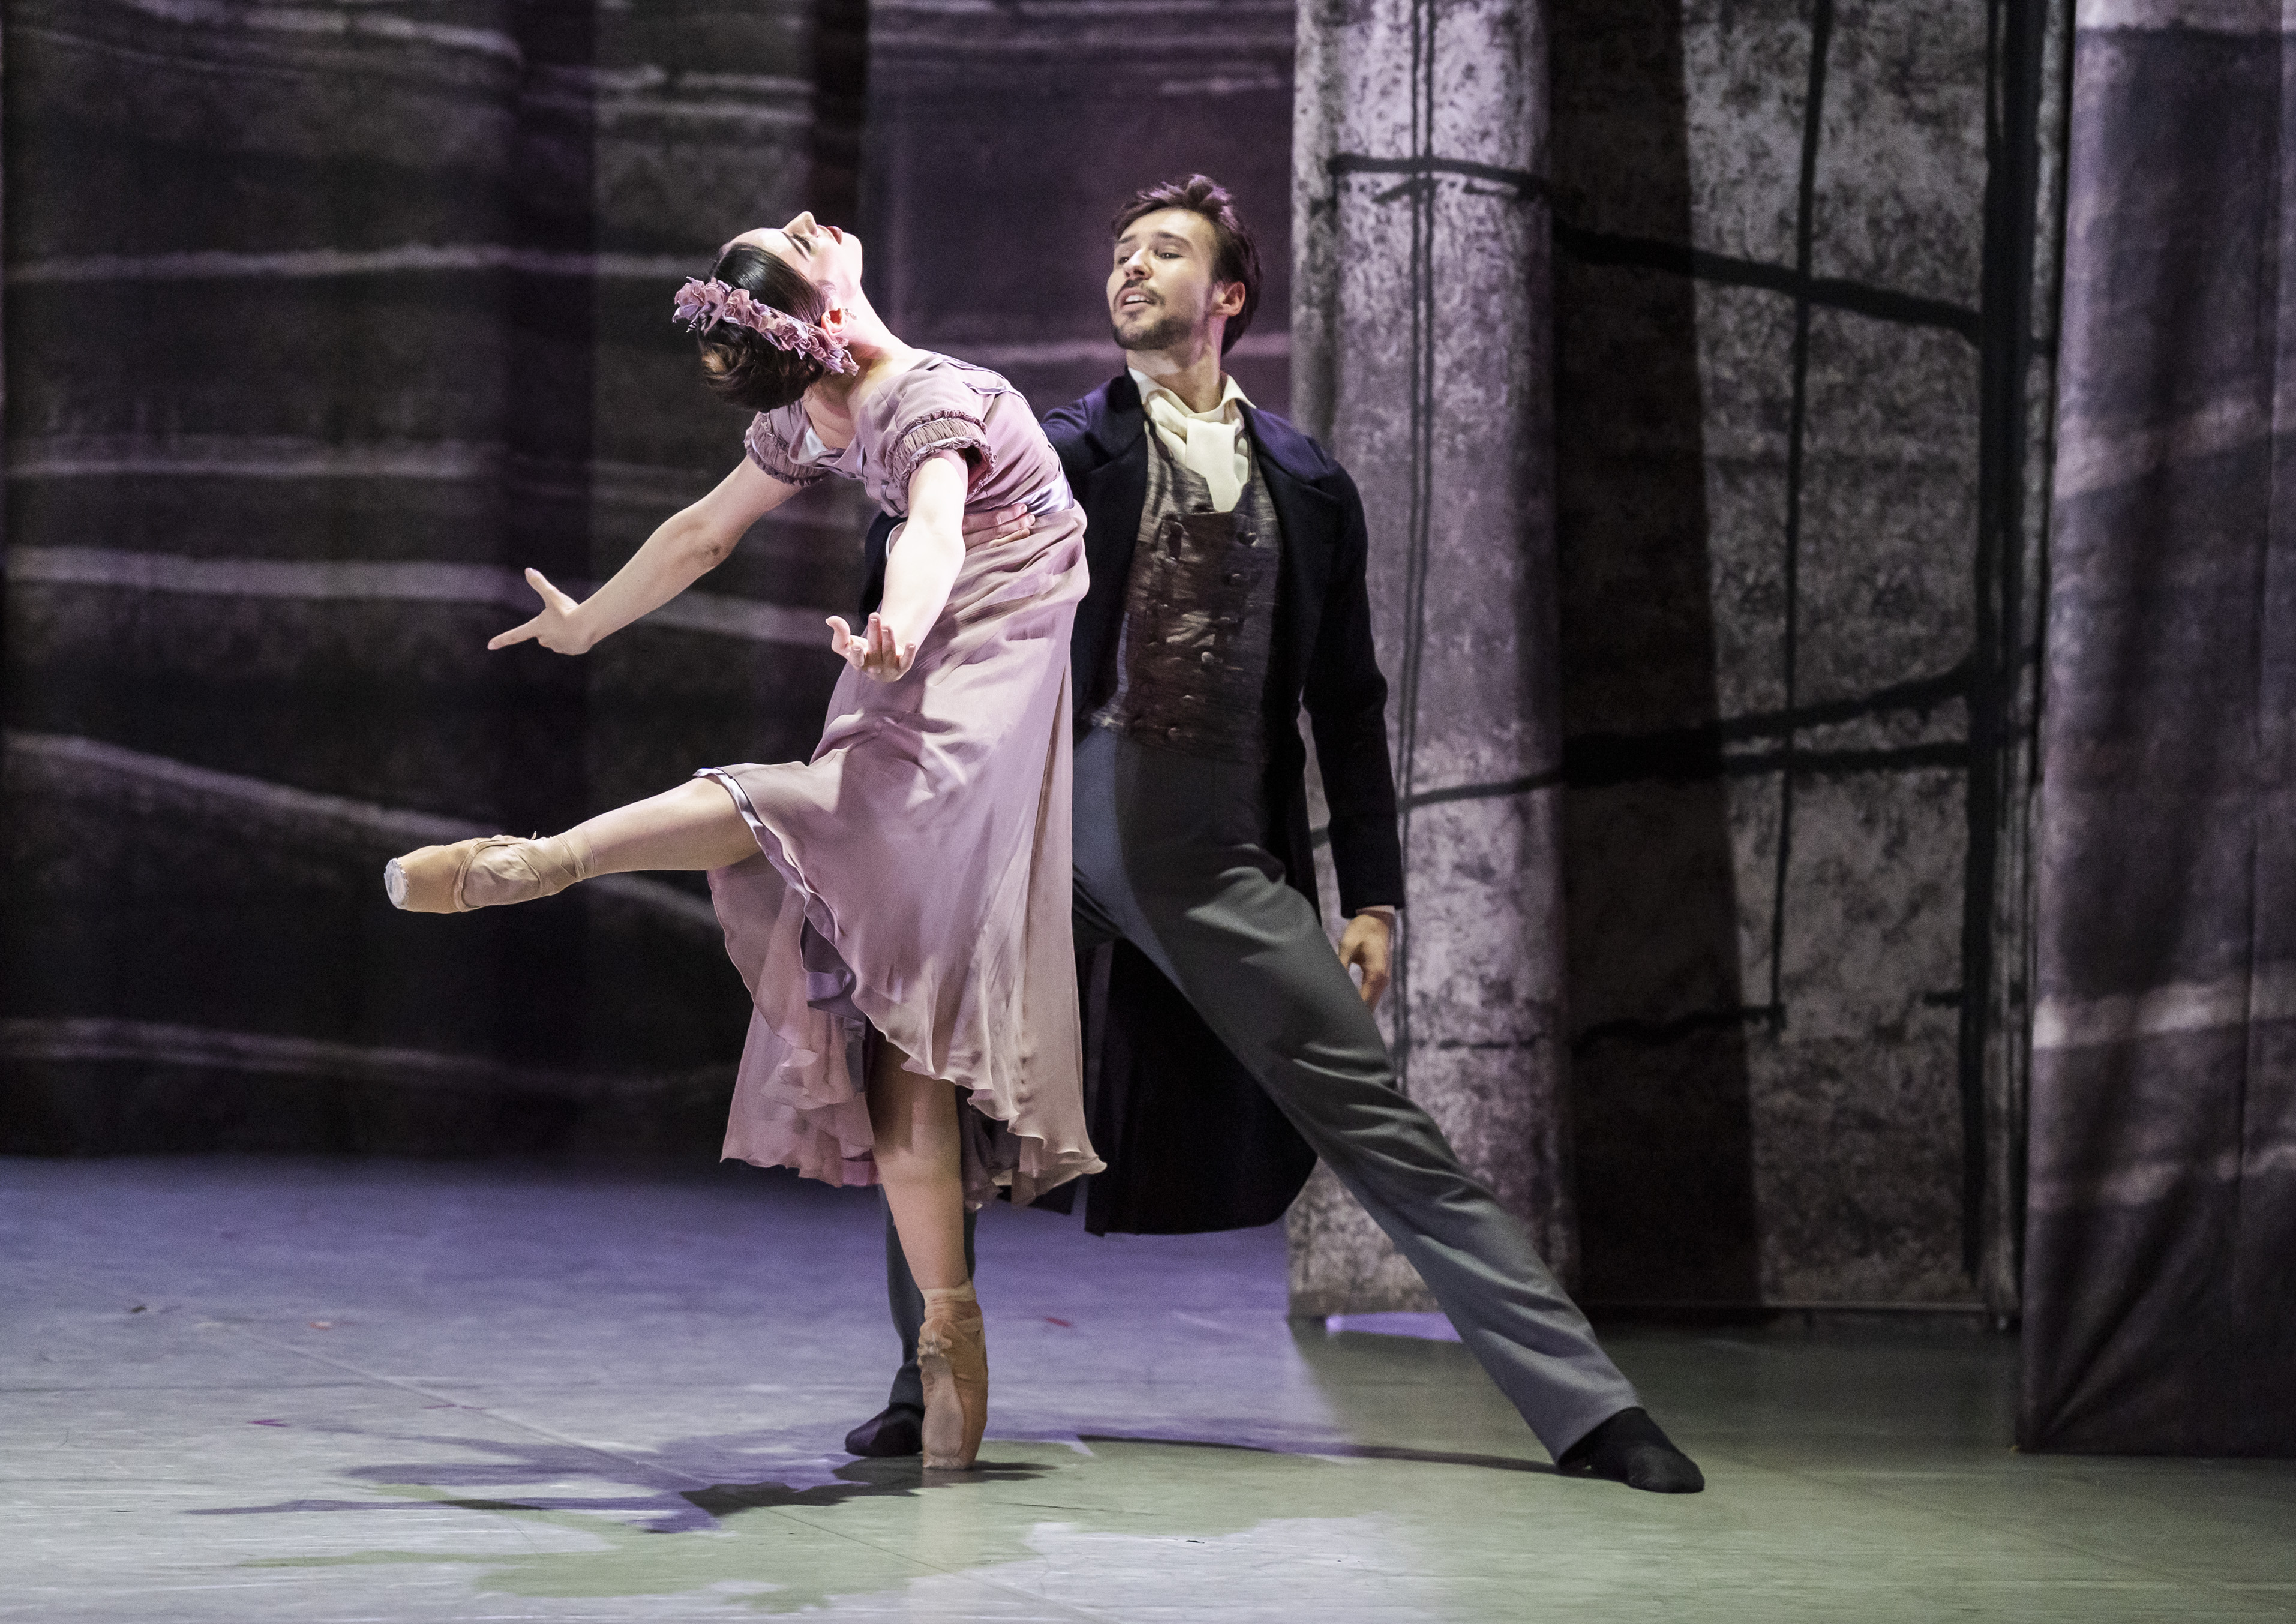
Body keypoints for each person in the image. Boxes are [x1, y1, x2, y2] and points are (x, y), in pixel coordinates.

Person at [842, 176, 1704, 1493]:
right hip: (1044, 816)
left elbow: (1346, 705)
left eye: (1165, 251)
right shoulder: (1064, 446)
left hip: (1203, 836)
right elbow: (920, 523)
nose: (1132, 267)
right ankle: (925, 1386)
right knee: (926, 1066)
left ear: (1229, 296)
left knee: (1378, 1122)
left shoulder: (1308, 483)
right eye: (1122, 251)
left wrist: (1376, 895)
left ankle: (1591, 1410)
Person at [382, 212, 1099, 1472]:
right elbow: (730, 531)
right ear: (823, 323)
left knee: (848, 877)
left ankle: (543, 860)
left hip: (962, 650)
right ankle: (948, 1326)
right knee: (897, 998)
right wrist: (590, 622)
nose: (814, 224)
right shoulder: (861, 398)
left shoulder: (898, 400)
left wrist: (894, 622)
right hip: (928, 652)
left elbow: (910, 534)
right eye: (798, 239)